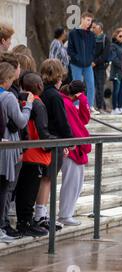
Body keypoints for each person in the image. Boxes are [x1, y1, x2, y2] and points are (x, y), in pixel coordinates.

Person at [15, 72, 55, 237]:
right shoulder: (37, 104)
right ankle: (24, 223)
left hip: (27, 153)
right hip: (36, 154)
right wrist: (52, 145)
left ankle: (25, 221)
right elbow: (42, 130)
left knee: (25, 190)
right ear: (40, 86)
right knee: (28, 192)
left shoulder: (24, 103)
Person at [35, 59, 73, 231]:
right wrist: (69, 140)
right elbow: (62, 122)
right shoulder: (55, 96)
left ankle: (41, 213)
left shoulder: (41, 92)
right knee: (48, 179)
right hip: (53, 141)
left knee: (45, 178)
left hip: (42, 140)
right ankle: (40, 215)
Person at [0, 62, 34, 241]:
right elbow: (21, 121)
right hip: (6, 146)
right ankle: (1, 226)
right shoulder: (7, 97)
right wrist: (28, 106)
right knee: (5, 187)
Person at [58, 81, 92, 226]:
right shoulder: (66, 103)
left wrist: (83, 101)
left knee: (75, 183)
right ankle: (65, 215)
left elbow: (83, 119)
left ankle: (67, 213)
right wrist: (85, 144)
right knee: (71, 183)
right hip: (71, 148)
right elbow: (76, 127)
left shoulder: (68, 102)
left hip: (74, 148)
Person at [67, 12, 97, 112]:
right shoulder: (73, 33)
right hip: (76, 64)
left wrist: (90, 59)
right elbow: (70, 50)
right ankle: (76, 104)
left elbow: (93, 49)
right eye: (88, 20)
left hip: (87, 64)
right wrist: (77, 58)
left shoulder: (92, 35)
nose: (89, 23)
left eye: (91, 21)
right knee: (77, 84)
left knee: (91, 83)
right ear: (82, 19)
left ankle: (90, 105)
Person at [91, 22, 110, 113]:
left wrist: (96, 62)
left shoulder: (105, 39)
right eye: (94, 28)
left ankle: (100, 106)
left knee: (100, 87)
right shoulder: (92, 38)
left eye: (96, 28)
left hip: (100, 67)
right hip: (90, 66)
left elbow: (105, 54)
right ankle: (91, 106)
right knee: (90, 86)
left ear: (101, 29)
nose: (94, 30)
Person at [109, 28, 122, 115]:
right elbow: (113, 58)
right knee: (116, 90)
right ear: (116, 36)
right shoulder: (112, 46)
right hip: (116, 71)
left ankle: (120, 107)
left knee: (121, 91)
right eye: (120, 36)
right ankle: (114, 108)